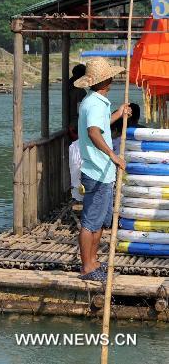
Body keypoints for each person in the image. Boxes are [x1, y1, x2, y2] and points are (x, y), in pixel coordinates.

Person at [74, 58, 131, 281]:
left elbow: (102, 124)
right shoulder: (94, 103)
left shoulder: (95, 101)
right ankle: (87, 266)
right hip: (97, 169)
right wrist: (113, 155)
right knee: (90, 222)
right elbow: (94, 133)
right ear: (105, 80)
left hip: (101, 170)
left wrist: (118, 113)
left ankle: (93, 260)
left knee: (98, 220)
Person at [68, 64, 87, 133]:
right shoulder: (79, 91)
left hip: (70, 123)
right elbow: (80, 111)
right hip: (76, 125)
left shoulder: (68, 87)